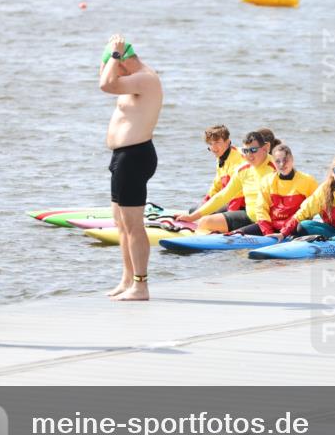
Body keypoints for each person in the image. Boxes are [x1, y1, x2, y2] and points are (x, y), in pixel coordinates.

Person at [97, 34, 163, 301]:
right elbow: (105, 79)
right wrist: (109, 54)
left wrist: (114, 55)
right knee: (121, 223)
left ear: (124, 61)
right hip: (122, 157)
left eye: (115, 62)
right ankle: (127, 278)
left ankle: (141, 285)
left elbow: (106, 85)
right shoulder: (130, 79)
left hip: (135, 157)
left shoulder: (145, 78)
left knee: (134, 225)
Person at [175, 130, 276, 233]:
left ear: (266, 148)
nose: (249, 155)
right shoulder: (243, 169)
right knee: (205, 221)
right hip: (249, 216)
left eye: (253, 150)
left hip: (270, 221)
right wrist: (191, 217)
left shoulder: (277, 169)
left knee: (211, 225)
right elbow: (223, 196)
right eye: (246, 151)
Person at [234, 144, 317, 236]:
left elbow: (315, 207)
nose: (282, 164)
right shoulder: (267, 181)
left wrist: (284, 232)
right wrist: (268, 233)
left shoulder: (308, 181)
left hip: (296, 227)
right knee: (236, 235)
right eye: (278, 161)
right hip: (272, 226)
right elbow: (261, 209)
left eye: (285, 160)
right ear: (274, 162)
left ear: (292, 159)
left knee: (302, 226)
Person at [198, 124, 245, 212]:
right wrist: (205, 202)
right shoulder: (221, 158)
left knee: (207, 214)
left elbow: (239, 192)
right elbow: (216, 185)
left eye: (217, 142)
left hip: (244, 205)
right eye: (210, 144)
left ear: (227, 142)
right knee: (195, 210)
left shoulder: (239, 159)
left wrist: (228, 216)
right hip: (228, 201)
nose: (213, 148)